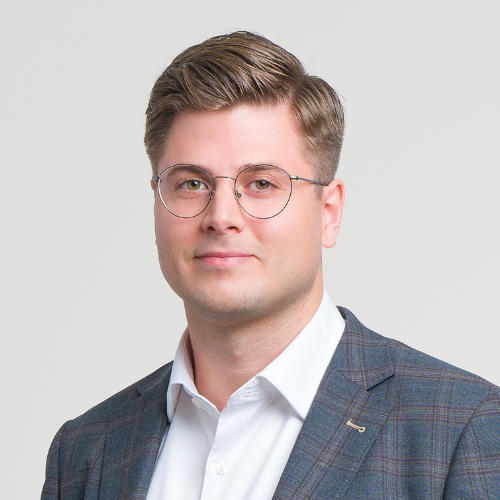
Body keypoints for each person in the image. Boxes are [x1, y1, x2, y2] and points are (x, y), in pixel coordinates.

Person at [41, 31, 500, 500]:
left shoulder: (462, 430)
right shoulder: (84, 451)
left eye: (261, 183)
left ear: (329, 212)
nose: (221, 216)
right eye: (191, 184)